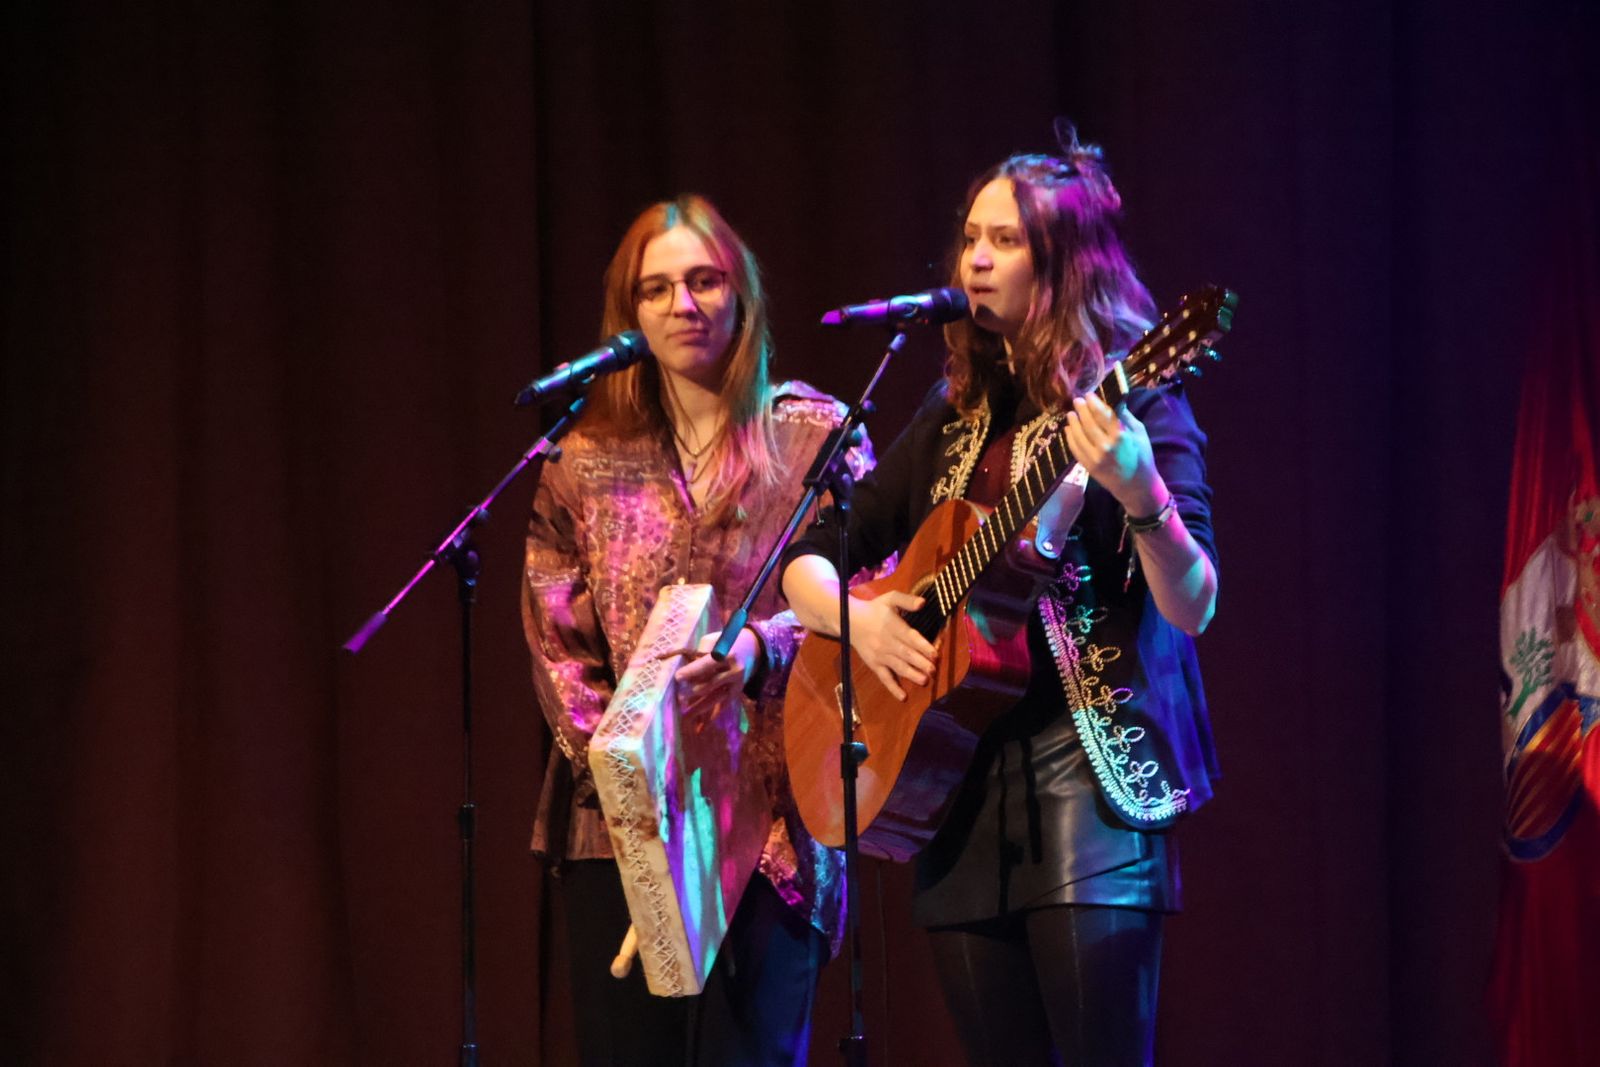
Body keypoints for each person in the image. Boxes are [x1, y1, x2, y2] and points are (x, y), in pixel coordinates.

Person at [780, 125, 1220, 1066]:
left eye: (1006, 241)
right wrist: (856, 616)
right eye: (971, 238)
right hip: (954, 795)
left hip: (1090, 786)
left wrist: (1141, 494)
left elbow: (1195, 603)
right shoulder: (951, 419)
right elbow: (811, 553)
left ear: (1063, 264)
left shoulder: (1136, 398)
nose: (976, 259)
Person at [522, 194, 871, 1067]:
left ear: (741, 295)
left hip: (775, 825)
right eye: (658, 288)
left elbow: (871, 595)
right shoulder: (580, 459)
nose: (683, 303)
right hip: (621, 828)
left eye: (705, 280)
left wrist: (767, 649)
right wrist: (638, 769)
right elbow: (558, 645)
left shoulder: (816, 438)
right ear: (629, 312)